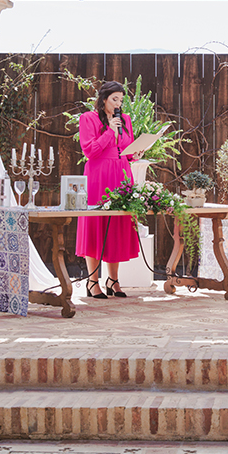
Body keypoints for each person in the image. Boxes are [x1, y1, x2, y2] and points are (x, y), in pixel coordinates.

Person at [75, 81, 141, 299]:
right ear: (103, 99)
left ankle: (113, 280)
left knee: (117, 226)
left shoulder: (126, 120)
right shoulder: (88, 118)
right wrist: (109, 131)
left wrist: (134, 155)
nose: (118, 104)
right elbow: (90, 151)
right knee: (96, 224)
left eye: (121, 100)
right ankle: (92, 281)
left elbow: (124, 150)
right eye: (114, 99)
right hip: (98, 175)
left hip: (121, 175)